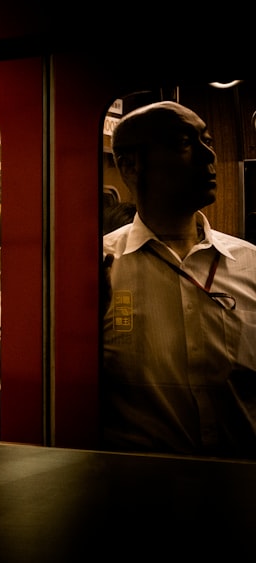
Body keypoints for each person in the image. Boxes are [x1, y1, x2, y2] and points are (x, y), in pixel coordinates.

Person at [102, 100, 256, 458]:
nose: (208, 156)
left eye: (208, 141)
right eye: (184, 143)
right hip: (137, 489)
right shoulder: (98, 266)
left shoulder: (250, 264)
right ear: (130, 166)